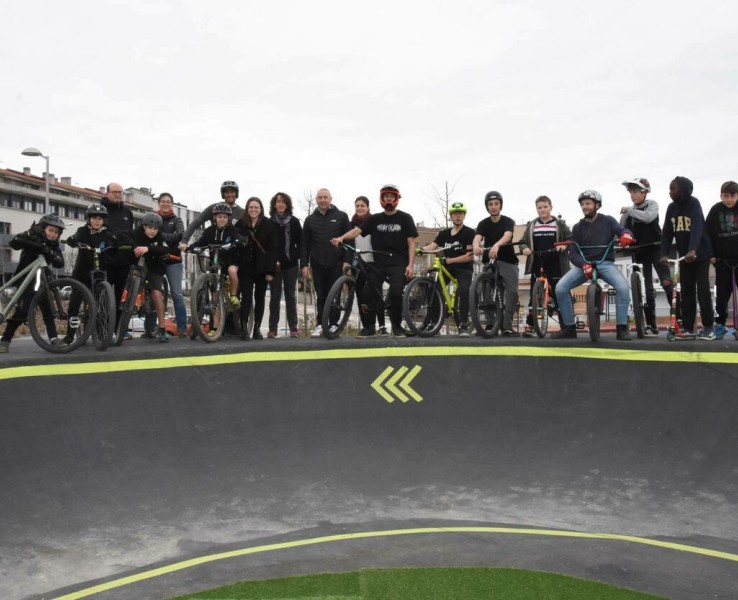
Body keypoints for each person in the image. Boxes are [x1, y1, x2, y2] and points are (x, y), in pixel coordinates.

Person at [331, 184, 418, 338]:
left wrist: (410, 265)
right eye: (386, 197)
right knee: (366, 293)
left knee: (397, 292)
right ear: (382, 199)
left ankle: (397, 326)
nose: (389, 199)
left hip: (398, 263)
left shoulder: (405, 217)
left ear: (397, 199)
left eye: (391, 196)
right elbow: (357, 230)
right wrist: (341, 238)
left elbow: (411, 243)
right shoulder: (375, 219)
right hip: (378, 263)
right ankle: (369, 327)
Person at [552, 190, 635, 340]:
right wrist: (583, 264)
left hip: (605, 263)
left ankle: (622, 328)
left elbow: (622, 230)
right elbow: (573, 251)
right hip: (584, 265)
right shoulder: (577, 227)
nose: (585, 206)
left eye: (588, 203)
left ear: (597, 205)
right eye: (583, 204)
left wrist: (626, 235)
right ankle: (569, 328)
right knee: (560, 287)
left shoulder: (609, 221)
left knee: (623, 287)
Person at [659, 176, 715, 339]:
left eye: (673, 189)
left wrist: (693, 249)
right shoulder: (671, 208)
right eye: (669, 189)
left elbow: (697, 226)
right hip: (685, 257)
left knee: (703, 289)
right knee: (687, 290)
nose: (670, 192)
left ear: (683, 190)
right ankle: (689, 327)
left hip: (700, 253)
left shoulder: (694, 204)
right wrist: (664, 253)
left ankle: (708, 327)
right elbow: (667, 233)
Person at [0, 215, 65, 353]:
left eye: (56, 232)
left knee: (48, 311)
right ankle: (5, 340)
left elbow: (60, 262)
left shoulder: (54, 246)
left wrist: (49, 252)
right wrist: (27, 235)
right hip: (27, 281)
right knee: (22, 311)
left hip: (44, 283)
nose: (53, 234)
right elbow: (14, 243)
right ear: (42, 229)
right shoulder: (32, 238)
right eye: (50, 230)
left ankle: (53, 338)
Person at [619, 178, 674, 335]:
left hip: (656, 249)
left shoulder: (652, 204)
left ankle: (679, 318)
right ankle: (651, 323)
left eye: (635, 192)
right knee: (647, 288)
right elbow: (620, 229)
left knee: (666, 282)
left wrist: (629, 210)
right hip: (638, 252)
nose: (632, 195)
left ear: (645, 192)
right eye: (630, 192)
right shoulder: (627, 213)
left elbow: (649, 217)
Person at [63, 203, 119, 343]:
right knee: (74, 304)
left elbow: (113, 242)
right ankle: (69, 336)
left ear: (104, 221)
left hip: (99, 274)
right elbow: (75, 237)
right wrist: (73, 241)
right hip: (82, 273)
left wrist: (116, 245)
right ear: (89, 219)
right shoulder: (82, 231)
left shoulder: (107, 234)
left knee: (103, 303)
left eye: (100, 219)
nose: (97, 221)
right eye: (94, 218)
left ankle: (102, 333)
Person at [300, 188, 351, 338]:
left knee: (335, 295)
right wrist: (304, 264)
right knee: (321, 296)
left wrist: (346, 261)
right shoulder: (310, 220)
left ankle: (334, 324)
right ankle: (321, 324)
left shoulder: (341, 216)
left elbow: (349, 241)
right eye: (320, 197)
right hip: (317, 264)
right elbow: (305, 244)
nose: (323, 200)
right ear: (316, 200)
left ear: (330, 199)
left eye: (325, 197)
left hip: (336, 264)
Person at [420, 201, 475, 337]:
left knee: (463, 289)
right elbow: (432, 247)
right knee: (434, 288)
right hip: (447, 268)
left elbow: (469, 256)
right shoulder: (444, 234)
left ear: (464, 216)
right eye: (455, 214)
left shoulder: (469, 232)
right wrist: (419, 250)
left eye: (460, 214)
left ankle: (463, 324)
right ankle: (434, 322)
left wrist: (451, 260)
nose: (458, 216)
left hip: (464, 268)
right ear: (451, 216)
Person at [519, 195, 571, 337]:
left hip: (555, 262)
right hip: (537, 261)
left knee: (559, 292)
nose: (542, 210)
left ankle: (565, 326)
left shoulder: (559, 223)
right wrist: (524, 248)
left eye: (545, 207)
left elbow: (570, 239)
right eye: (539, 207)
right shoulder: (532, 224)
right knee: (533, 295)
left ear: (551, 207)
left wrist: (563, 245)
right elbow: (523, 241)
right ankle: (530, 326)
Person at [472, 191, 520, 337]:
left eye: (496, 204)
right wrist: (476, 246)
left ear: (500, 205)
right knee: (486, 291)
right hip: (490, 261)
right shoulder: (483, 223)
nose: (493, 207)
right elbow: (477, 237)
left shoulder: (507, 221)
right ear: (487, 206)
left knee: (511, 292)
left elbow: (508, 235)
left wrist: (497, 245)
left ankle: (507, 327)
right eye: (490, 204)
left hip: (507, 260)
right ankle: (491, 323)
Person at [185, 203, 247, 310]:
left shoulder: (232, 230)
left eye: (224, 217)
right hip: (215, 262)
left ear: (228, 218)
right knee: (214, 297)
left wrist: (236, 243)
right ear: (215, 218)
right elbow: (201, 242)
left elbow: (240, 238)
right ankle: (215, 326)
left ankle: (233, 296)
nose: (222, 219)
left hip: (230, 261)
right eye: (219, 217)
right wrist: (189, 247)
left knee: (232, 271)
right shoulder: (209, 231)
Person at [236, 197, 278, 340]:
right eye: (251, 207)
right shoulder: (240, 224)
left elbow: (273, 249)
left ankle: (257, 328)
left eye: (256, 207)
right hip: (246, 267)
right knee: (246, 298)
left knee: (260, 299)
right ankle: (244, 328)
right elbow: (235, 245)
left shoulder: (268, 225)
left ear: (261, 209)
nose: (253, 210)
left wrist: (271, 271)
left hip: (262, 268)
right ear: (247, 209)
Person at [129, 212, 172, 343]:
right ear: (144, 227)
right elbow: (125, 237)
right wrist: (135, 247)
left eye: (155, 228)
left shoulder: (160, 237)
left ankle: (162, 329)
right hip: (137, 265)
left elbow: (165, 250)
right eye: (150, 228)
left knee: (157, 294)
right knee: (126, 288)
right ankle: (123, 325)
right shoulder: (136, 232)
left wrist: (148, 248)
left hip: (154, 268)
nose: (152, 231)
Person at [350, 195, 388, 336]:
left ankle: (382, 325)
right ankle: (368, 325)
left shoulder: (374, 223)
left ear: (368, 208)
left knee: (375, 294)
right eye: (357, 206)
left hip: (374, 263)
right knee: (360, 295)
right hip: (358, 263)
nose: (360, 208)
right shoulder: (351, 225)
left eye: (362, 206)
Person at [101, 182, 134, 339]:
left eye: (120, 192)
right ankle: (102, 328)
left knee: (121, 298)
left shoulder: (128, 212)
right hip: (106, 261)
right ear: (107, 193)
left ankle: (118, 329)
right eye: (114, 192)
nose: (117, 194)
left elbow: (130, 235)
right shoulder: (101, 210)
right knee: (104, 297)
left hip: (124, 261)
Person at [705, 180, 738, 340]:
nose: (729, 199)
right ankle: (720, 324)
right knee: (722, 295)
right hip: (722, 260)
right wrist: (711, 255)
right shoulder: (715, 210)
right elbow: (707, 233)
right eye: (726, 196)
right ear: (721, 196)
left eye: (732, 196)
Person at [267, 192, 302, 338]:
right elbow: (266, 245)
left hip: (291, 264)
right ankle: (272, 328)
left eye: (283, 202)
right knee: (274, 296)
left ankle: (293, 327)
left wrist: (294, 256)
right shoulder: (269, 222)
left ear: (287, 205)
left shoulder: (294, 221)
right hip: (274, 265)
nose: (280, 204)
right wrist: (272, 261)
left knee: (290, 295)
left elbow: (300, 243)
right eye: (278, 201)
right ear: (274, 205)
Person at [156, 192, 187, 337]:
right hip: (155, 261)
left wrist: (159, 236)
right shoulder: (153, 218)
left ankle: (182, 329)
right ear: (159, 203)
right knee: (154, 294)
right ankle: (151, 329)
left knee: (177, 295)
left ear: (171, 204)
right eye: (163, 201)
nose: (165, 204)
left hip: (173, 261)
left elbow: (179, 235)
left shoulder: (177, 220)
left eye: (168, 201)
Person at [179, 180, 244, 250]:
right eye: (227, 192)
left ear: (236, 193)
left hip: (235, 254)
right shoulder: (214, 208)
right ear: (223, 194)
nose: (229, 194)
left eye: (232, 192)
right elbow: (195, 223)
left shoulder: (242, 212)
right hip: (214, 252)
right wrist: (184, 241)